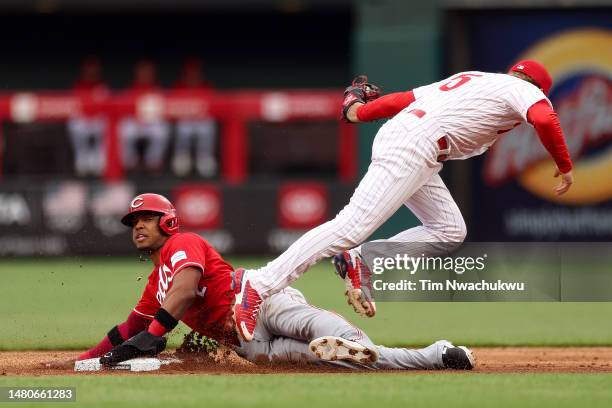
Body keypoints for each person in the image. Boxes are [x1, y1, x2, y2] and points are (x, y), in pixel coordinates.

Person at [233, 60, 575, 342]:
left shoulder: (474, 79)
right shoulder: (523, 89)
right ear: (537, 87)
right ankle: (259, 284)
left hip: (414, 142)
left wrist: (357, 113)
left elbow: (403, 99)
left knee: (449, 230)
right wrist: (564, 166)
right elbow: (545, 118)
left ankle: (362, 259)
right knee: (351, 224)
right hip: (414, 146)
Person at [51, 193, 475, 371]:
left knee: (311, 326)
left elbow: (183, 291)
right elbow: (128, 330)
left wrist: (155, 333)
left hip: (256, 299)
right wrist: (84, 359)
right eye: (132, 222)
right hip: (250, 346)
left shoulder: (184, 243)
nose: (138, 227)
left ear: (168, 221)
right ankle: (434, 356)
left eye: (145, 219)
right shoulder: (153, 284)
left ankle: (350, 339)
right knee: (340, 359)